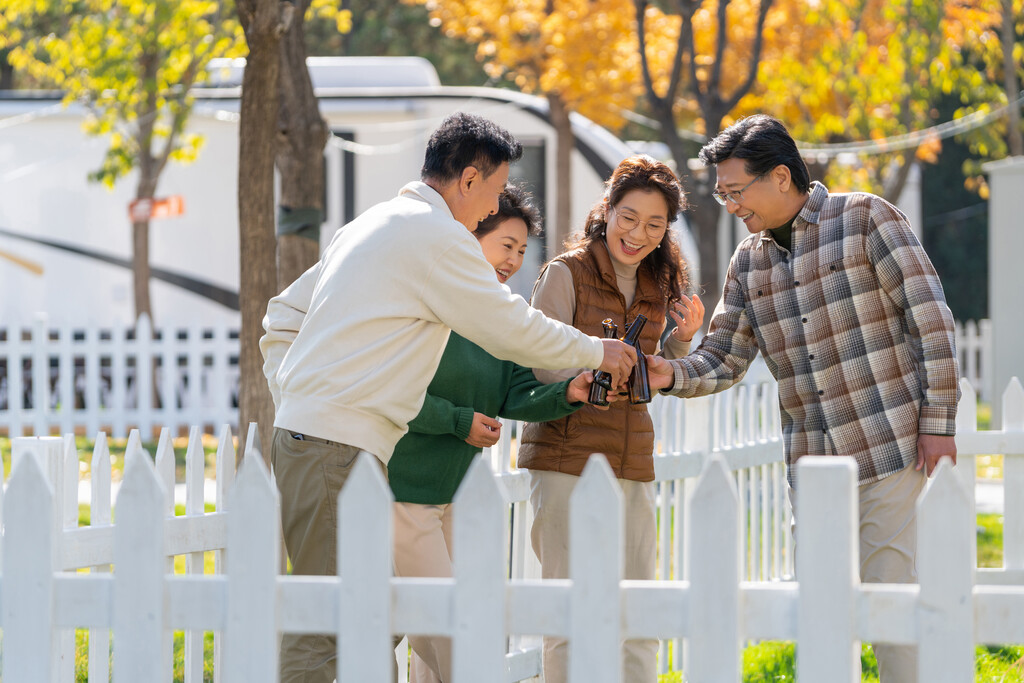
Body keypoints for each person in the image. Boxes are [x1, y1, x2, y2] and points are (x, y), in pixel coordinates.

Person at [260, 112, 637, 683]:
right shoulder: (438, 237)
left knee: (363, 617)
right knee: (329, 629)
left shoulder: (374, 223)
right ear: (466, 179)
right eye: (491, 191)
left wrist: (298, 395)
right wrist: (595, 351)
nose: (491, 207)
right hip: (333, 446)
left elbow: (281, 316)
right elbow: (507, 324)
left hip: (326, 442)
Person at [646, 114, 960, 683]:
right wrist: (665, 372)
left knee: (894, 615)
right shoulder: (750, 262)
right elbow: (724, 358)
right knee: (822, 620)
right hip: (812, 469)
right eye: (722, 194)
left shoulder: (866, 218)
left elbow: (931, 322)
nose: (731, 205)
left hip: (890, 450)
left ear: (782, 176)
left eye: (737, 191)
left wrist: (939, 422)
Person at [389, 184, 607, 683]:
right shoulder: (429, 302)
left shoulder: (499, 312)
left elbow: (516, 388)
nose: (513, 260)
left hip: (457, 491)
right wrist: (456, 421)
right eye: (505, 245)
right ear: (470, 236)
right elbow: (392, 390)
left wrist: (568, 392)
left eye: (521, 251)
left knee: (439, 624)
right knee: (449, 625)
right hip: (402, 489)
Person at [517, 154, 704, 683]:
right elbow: (541, 359)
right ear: (607, 209)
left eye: (654, 224)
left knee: (637, 608)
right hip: (564, 456)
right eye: (629, 217)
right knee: (570, 611)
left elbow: (652, 371)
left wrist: (682, 340)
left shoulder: (655, 284)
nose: (638, 233)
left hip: (631, 458)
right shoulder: (566, 272)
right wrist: (594, 360)